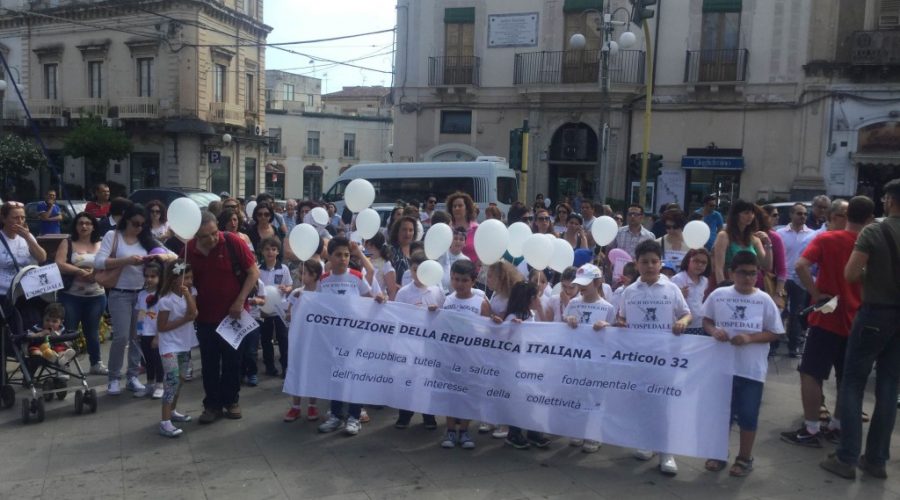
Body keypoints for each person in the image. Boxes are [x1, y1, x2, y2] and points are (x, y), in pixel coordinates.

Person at [780, 196, 873, 449]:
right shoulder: (870, 243)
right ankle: (838, 425)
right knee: (847, 377)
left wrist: (815, 292)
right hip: (858, 318)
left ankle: (810, 429)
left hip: (826, 314)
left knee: (810, 373)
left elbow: (800, 265)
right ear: (869, 219)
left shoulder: (826, 239)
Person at [821, 181, 900, 480]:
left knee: (853, 383)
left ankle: (846, 457)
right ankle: (877, 460)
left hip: (875, 313)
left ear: (890, 200)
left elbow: (851, 273)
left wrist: (874, 274)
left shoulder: (874, 231)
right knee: (889, 387)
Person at [702, 251, 785, 477]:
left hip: (751, 369)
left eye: (752, 273)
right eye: (743, 273)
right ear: (732, 273)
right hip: (721, 366)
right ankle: (718, 452)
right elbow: (706, 319)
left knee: (748, 414)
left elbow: (775, 332)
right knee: (722, 413)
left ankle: (745, 456)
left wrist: (750, 338)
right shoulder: (719, 295)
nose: (748, 278)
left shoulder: (764, 299)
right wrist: (713, 330)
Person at [617, 239, 691, 475]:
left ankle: (666, 451)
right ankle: (646, 442)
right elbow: (621, 318)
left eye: (654, 261)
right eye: (644, 262)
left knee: (664, 403)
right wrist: (621, 324)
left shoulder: (671, 289)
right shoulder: (629, 291)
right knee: (642, 401)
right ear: (636, 264)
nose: (649, 266)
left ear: (661, 263)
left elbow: (687, 314)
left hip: (664, 357)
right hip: (638, 358)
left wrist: (682, 321)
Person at [186, 211, 260, 424]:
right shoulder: (188, 250)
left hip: (233, 316)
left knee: (232, 361)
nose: (211, 239)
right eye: (204, 236)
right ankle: (212, 405)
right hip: (204, 317)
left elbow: (253, 272)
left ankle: (232, 400)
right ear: (195, 236)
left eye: (213, 233)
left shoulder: (232, 242)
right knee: (209, 363)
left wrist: (239, 301)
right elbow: (179, 275)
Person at [94, 204, 174, 396]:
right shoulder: (112, 236)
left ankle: (132, 376)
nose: (139, 228)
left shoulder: (147, 239)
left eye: (143, 224)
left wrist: (158, 256)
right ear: (126, 221)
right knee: (121, 336)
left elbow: (173, 256)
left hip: (142, 294)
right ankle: (113, 377)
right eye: (135, 224)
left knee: (138, 337)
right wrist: (127, 261)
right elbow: (98, 262)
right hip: (120, 293)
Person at [317, 237, 380, 437]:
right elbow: (315, 304)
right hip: (333, 339)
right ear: (330, 256)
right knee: (336, 377)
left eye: (346, 255)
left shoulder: (356, 276)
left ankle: (354, 416)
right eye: (338, 255)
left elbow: (369, 300)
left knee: (353, 377)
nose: (343, 259)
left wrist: (379, 298)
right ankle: (336, 415)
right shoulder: (324, 280)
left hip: (355, 338)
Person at [562, 263, 616, 453]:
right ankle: (578, 429)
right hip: (576, 359)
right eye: (580, 282)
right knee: (577, 394)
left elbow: (615, 332)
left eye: (586, 282)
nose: (582, 287)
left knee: (595, 397)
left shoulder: (607, 307)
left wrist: (607, 326)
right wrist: (568, 320)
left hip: (597, 362)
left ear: (598, 282)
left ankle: (593, 434)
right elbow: (563, 323)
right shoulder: (573, 303)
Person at [440, 259, 491, 449]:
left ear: (473, 281)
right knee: (451, 393)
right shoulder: (447, 300)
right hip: (451, 357)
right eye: (455, 279)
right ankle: (451, 430)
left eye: (463, 280)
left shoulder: (481, 302)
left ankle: (465, 430)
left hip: (472, 358)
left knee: (468, 393)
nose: (459, 284)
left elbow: (488, 331)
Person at [394, 251, 444, 430]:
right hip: (410, 345)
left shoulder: (437, 291)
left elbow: (444, 318)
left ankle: (428, 414)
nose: (419, 273)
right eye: (415, 269)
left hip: (429, 345)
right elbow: (397, 317)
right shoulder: (404, 292)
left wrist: (436, 312)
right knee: (407, 378)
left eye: (423, 269)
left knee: (427, 379)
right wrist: (410, 313)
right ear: (411, 270)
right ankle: (404, 414)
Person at [501, 281, 552, 450]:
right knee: (518, 399)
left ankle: (531, 430)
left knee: (529, 399)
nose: (539, 299)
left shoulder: (530, 314)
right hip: (517, 366)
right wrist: (513, 328)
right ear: (529, 298)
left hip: (530, 365)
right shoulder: (513, 317)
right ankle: (514, 432)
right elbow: (506, 341)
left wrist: (540, 309)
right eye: (536, 296)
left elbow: (545, 329)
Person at [55, 212, 107, 374]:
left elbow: (109, 264)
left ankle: (96, 363)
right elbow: (59, 263)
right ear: (75, 226)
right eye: (80, 223)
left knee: (91, 331)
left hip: (96, 295)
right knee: (68, 331)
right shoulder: (68, 242)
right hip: (71, 296)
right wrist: (79, 271)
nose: (84, 226)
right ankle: (64, 365)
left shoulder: (102, 243)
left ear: (93, 226)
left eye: (87, 223)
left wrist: (95, 275)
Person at [155, 259, 199, 437]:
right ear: (174, 279)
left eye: (190, 277)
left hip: (184, 343)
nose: (189, 281)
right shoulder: (166, 301)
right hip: (169, 345)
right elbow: (162, 326)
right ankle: (164, 421)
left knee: (180, 379)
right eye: (185, 278)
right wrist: (183, 320)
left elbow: (193, 312)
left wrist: (188, 295)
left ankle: (172, 411)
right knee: (171, 380)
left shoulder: (191, 292)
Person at [283, 260, 323, 422]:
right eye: (301, 273)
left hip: (316, 340)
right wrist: (291, 313)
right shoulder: (296, 293)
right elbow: (288, 314)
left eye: (304, 273)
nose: (301, 276)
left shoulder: (323, 293)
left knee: (313, 371)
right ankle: (296, 406)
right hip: (299, 339)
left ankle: (312, 405)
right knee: (296, 370)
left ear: (314, 276)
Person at [776, 203, 815, 357]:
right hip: (783, 278)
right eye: (799, 213)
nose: (803, 216)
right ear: (791, 215)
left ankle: (794, 346)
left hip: (801, 279)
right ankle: (774, 344)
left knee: (797, 313)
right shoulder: (780, 233)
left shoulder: (812, 235)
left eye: (805, 213)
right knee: (780, 311)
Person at [258, 237, 293, 378]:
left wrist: (286, 288)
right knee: (266, 340)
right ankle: (270, 366)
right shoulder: (258, 269)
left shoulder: (283, 269)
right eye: (267, 249)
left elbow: (290, 285)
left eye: (273, 249)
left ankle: (285, 366)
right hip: (264, 310)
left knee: (283, 339)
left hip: (280, 309)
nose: (270, 252)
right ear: (262, 251)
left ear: (278, 251)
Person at [712, 199, 769, 285]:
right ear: (736, 215)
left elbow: (766, 265)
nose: (750, 216)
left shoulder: (754, 239)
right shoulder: (724, 236)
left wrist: (769, 244)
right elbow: (718, 268)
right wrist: (722, 289)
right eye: (746, 213)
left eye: (752, 213)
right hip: (729, 284)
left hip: (750, 285)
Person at [0, 202, 48, 301]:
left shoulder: (27, 236)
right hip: (3, 294)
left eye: (23, 217)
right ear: (3, 219)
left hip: (24, 292)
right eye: (15, 218)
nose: (20, 221)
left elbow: (42, 258)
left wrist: (28, 238)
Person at [135, 261, 165, 400]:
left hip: (157, 333)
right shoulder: (141, 294)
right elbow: (141, 313)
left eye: (153, 276)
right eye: (147, 276)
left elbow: (163, 317)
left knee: (158, 360)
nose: (149, 279)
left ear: (160, 277)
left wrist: (158, 337)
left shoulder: (163, 296)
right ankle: (149, 384)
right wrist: (139, 331)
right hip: (145, 333)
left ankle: (160, 385)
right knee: (148, 361)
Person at [670, 249, 711, 335]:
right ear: (688, 260)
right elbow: (669, 300)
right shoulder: (678, 279)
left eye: (704, 263)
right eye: (696, 261)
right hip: (682, 325)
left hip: (699, 324)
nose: (700, 265)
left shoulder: (705, 281)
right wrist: (679, 295)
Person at [363, 232, 399, 300]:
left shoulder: (386, 264)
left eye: (366, 243)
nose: (365, 246)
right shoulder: (363, 260)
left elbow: (392, 291)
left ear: (372, 245)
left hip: (378, 302)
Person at [447, 192, 479, 263]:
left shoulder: (477, 229)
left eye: (460, 206)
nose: (456, 208)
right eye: (454, 206)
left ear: (467, 209)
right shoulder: (447, 229)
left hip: (472, 271)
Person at [387, 215, 418, 288]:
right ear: (397, 231)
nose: (407, 233)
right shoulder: (390, 251)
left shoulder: (417, 250)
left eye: (411, 230)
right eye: (404, 229)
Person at [437, 227, 469, 292]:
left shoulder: (466, 260)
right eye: (455, 238)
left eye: (461, 239)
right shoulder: (441, 254)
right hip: (438, 290)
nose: (458, 241)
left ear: (465, 243)